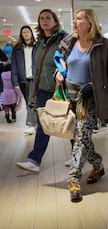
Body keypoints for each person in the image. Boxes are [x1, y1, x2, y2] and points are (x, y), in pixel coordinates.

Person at [55, 8, 108, 203]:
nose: (74, 22)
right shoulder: (69, 43)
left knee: (81, 137)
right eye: (74, 19)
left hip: (90, 99)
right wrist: (58, 74)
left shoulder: (104, 45)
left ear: (90, 22)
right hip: (69, 98)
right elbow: (62, 65)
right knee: (81, 138)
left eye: (79, 19)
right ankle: (98, 164)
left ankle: (74, 180)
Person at [16, 9, 68, 173]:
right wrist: (34, 93)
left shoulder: (63, 39)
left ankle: (78, 155)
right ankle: (34, 160)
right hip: (43, 90)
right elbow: (36, 68)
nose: (45, 21)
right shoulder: (39, 43)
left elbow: (69, 62)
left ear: (55, 20)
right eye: (42, 18)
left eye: (48, 18)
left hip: (61, 90)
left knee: (69, 123)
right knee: (43, 125)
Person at [11, 25, 38, 135]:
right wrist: (15, 81)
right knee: (28, 101)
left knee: (31, 100)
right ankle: (35, 122)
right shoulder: (17, 49)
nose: (26, 34)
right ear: (21, 34)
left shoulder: (36, 46)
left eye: (28, 32)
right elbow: (14, 65)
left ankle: (30, 125)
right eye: (24, 32)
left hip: (34, 78)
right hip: (23, 79)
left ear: (31, 33)